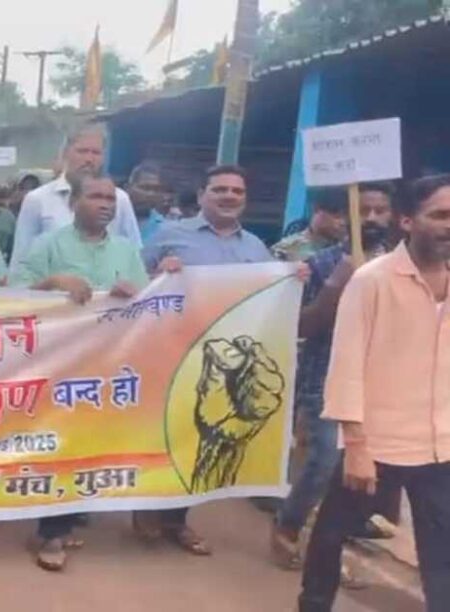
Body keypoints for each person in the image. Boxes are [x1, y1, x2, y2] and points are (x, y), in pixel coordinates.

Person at [298, 174, 450, 612]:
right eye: (438, 215)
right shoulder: (372, 281)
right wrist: (357, 445)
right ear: (407, 220)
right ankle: (312, 604)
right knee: (332, 532)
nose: (448, 225)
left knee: (441, 551)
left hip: (439, 445)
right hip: (377, 441)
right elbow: (345, 366)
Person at [9, 172, 147, 571]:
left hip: (108, 366)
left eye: (111, 198)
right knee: (59, 443)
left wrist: (131, 292)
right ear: (74, 204)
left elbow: (146, 300)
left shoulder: (125, 250)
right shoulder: (48, 245)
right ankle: (51, 532)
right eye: (96, 196)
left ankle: (67, 518)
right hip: (58, 365)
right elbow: (14, 294)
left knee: (89, 444)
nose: (106, 203)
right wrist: (53, 280)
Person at [137, 164, 275, 556]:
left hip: (228, 362)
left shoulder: (256, 248)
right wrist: (157, 272)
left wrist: (292, 278)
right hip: (172, 352)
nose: (229, 196)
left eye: (237, 191)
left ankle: (177, 520)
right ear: (201, 196)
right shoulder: (171, 236)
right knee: (162, 431)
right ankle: (146, 507)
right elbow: (133, 279)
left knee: (198, 438)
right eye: (220, 190)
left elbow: (270, 294)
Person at [270, 182, 397, 579]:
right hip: (325, 378)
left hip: (384, 384)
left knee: (360, 471)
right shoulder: (321, 264)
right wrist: (340, 281)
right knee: (324, 463)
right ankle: (289, 523)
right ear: (346, 217)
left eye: (380, 210)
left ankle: (327, 549)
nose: (372, 218)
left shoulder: (403, 266)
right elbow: (303, 325)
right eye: (364, 210)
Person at [11, 125, 142, 273]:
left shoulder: (119, 199)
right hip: (52, 293)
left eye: (96, 153)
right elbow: (21, 261)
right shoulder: (37, 199)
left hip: (107, 292)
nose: (89, 159)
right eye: (82, 151)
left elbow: (134, 254)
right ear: (66, 153)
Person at [272, 188, 348, 262]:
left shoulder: (348, 249)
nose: (343, 222)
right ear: (316, 209)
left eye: (346, 218)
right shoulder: (284, 250)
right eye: (337, 216)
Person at [126, 163, 172, 244]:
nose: (150, 194)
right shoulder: (111, 221)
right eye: (145, 188)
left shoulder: (166, 229)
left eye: (156, 189)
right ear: (128, 188)